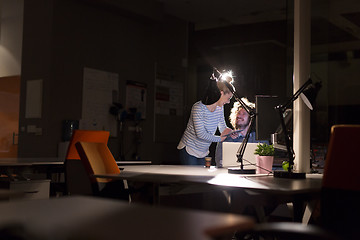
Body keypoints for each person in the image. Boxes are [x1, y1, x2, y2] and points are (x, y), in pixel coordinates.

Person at [177, 70, 237, 165]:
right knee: (193, 179)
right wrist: (219, 138)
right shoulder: (198, 108)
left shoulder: (220, 108)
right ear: (221, 93)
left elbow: (222, 126)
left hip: (204, 152)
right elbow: (200, 134)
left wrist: (229, 132)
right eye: (228, 98)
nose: (228, 102)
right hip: (189, 150)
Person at [215, 98, 260, 167]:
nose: (239, 116)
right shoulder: (227, 137)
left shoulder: (259, 139)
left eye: (244, 114)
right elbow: (219, 161)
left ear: (251, 119)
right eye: (238, 113)